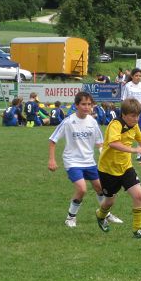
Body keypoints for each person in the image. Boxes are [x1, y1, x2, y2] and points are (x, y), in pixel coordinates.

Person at [48, 91, 123, 229]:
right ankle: (70, 217)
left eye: (89, 104)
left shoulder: (92, 122)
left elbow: (99, 143)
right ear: (76, 105)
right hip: (72, 161)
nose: (87, 107)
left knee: (100, 188)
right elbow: (53, 140)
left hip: (89, 161)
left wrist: (104, 156)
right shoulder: (68, 121)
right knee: (82, 189)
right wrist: (52, 160)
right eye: (83, 104)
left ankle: (105, 214)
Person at [95, 97, 141, 239]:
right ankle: (100, 215)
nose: (136, 119)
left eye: (138, 115)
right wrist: (134, 150)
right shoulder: (115, 125)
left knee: (139, 195)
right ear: (124, 115)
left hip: (126, 168)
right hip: (108, 170)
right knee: (110, 201)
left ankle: (138, 230)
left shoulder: (134, 126)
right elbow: (113, 143)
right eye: (133, 116)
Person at [121, 68, 141, 159]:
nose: (138, 77)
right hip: (130, 112)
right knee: (126, 132)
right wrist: (124, 112)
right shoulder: (128, 86)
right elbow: (124, 99)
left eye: (140, 76)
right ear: (132, 76)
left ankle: (139, 154)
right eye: (136, 75)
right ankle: (124, 150)